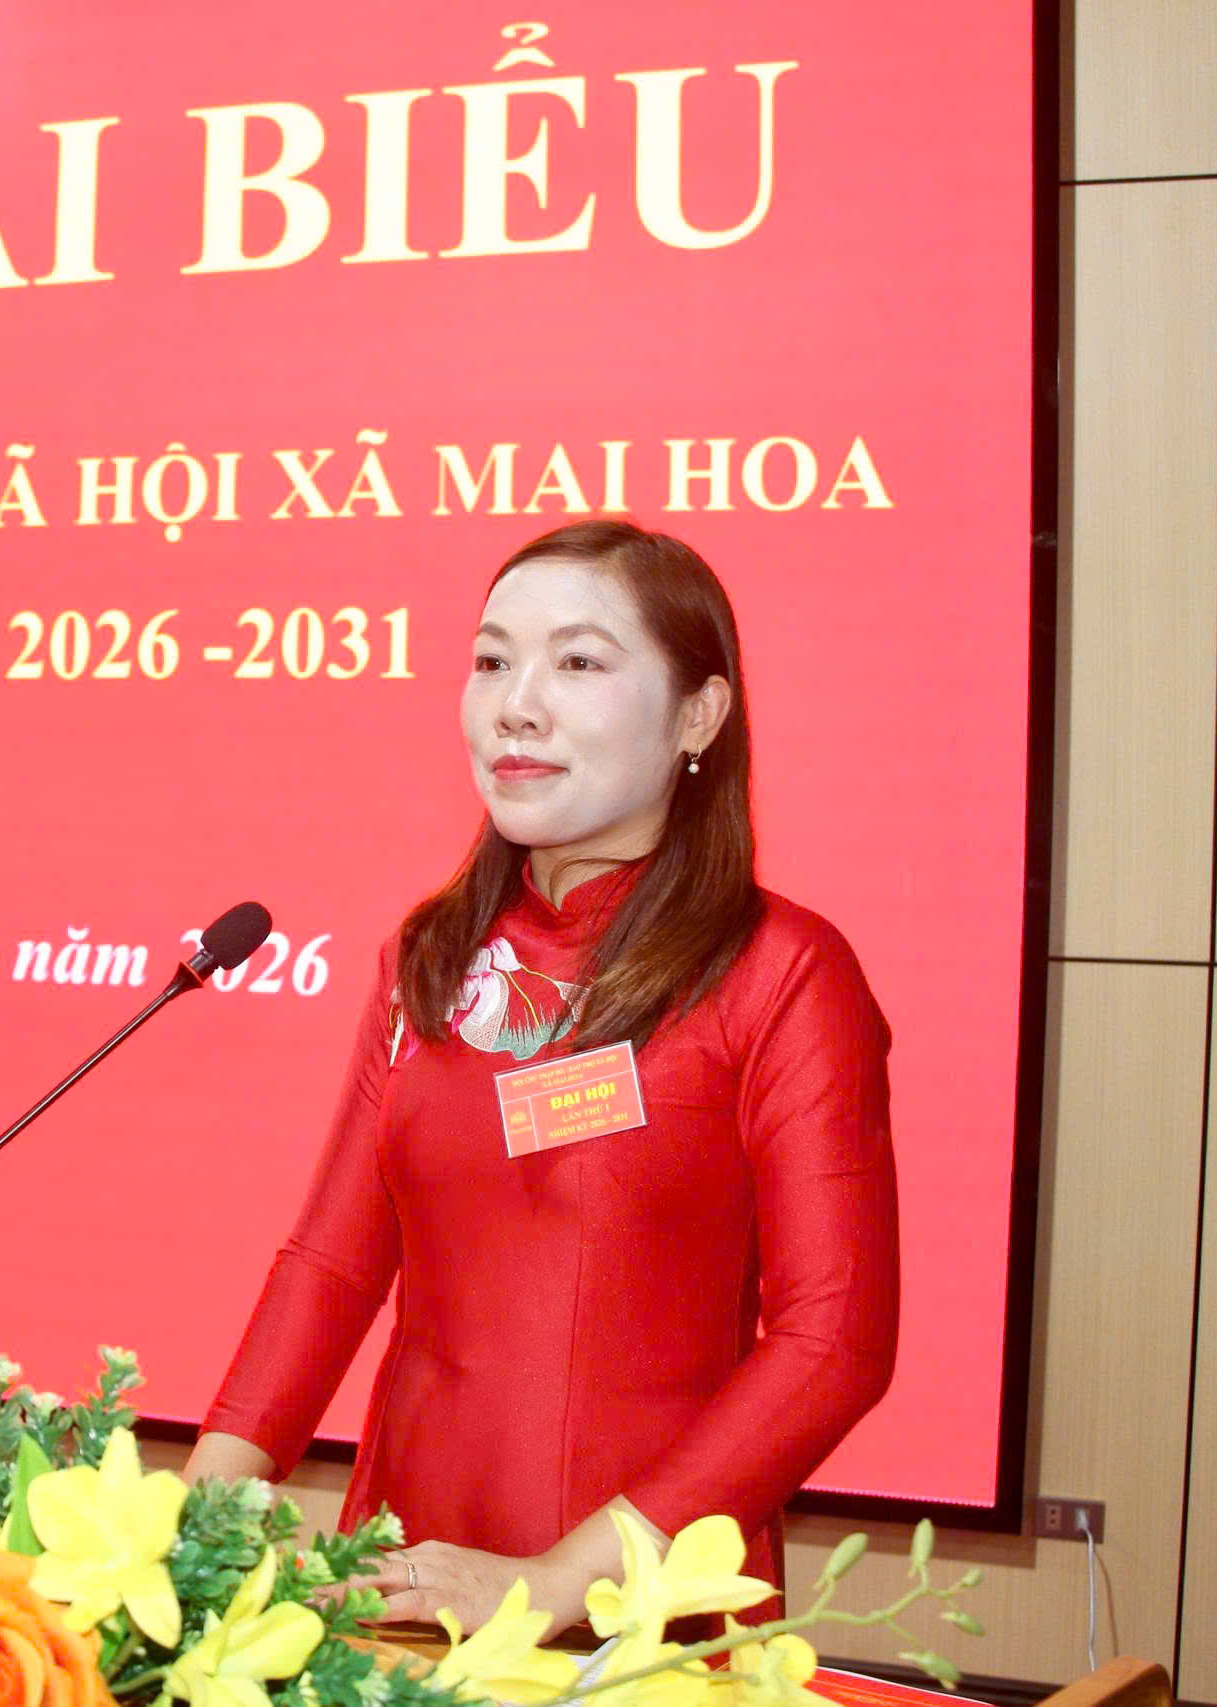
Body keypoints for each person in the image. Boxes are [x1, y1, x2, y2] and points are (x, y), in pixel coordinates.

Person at [184, 518, 899, 1638]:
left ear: (698, 715)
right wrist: (201, 1507)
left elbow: (833, 1341)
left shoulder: (782, 973)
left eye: (577, 662)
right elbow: (332, 1262)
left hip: (630, 1612)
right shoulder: (428, 956)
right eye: (491, 660)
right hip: (397, 1590)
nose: (516, 704)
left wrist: (559, 1582)